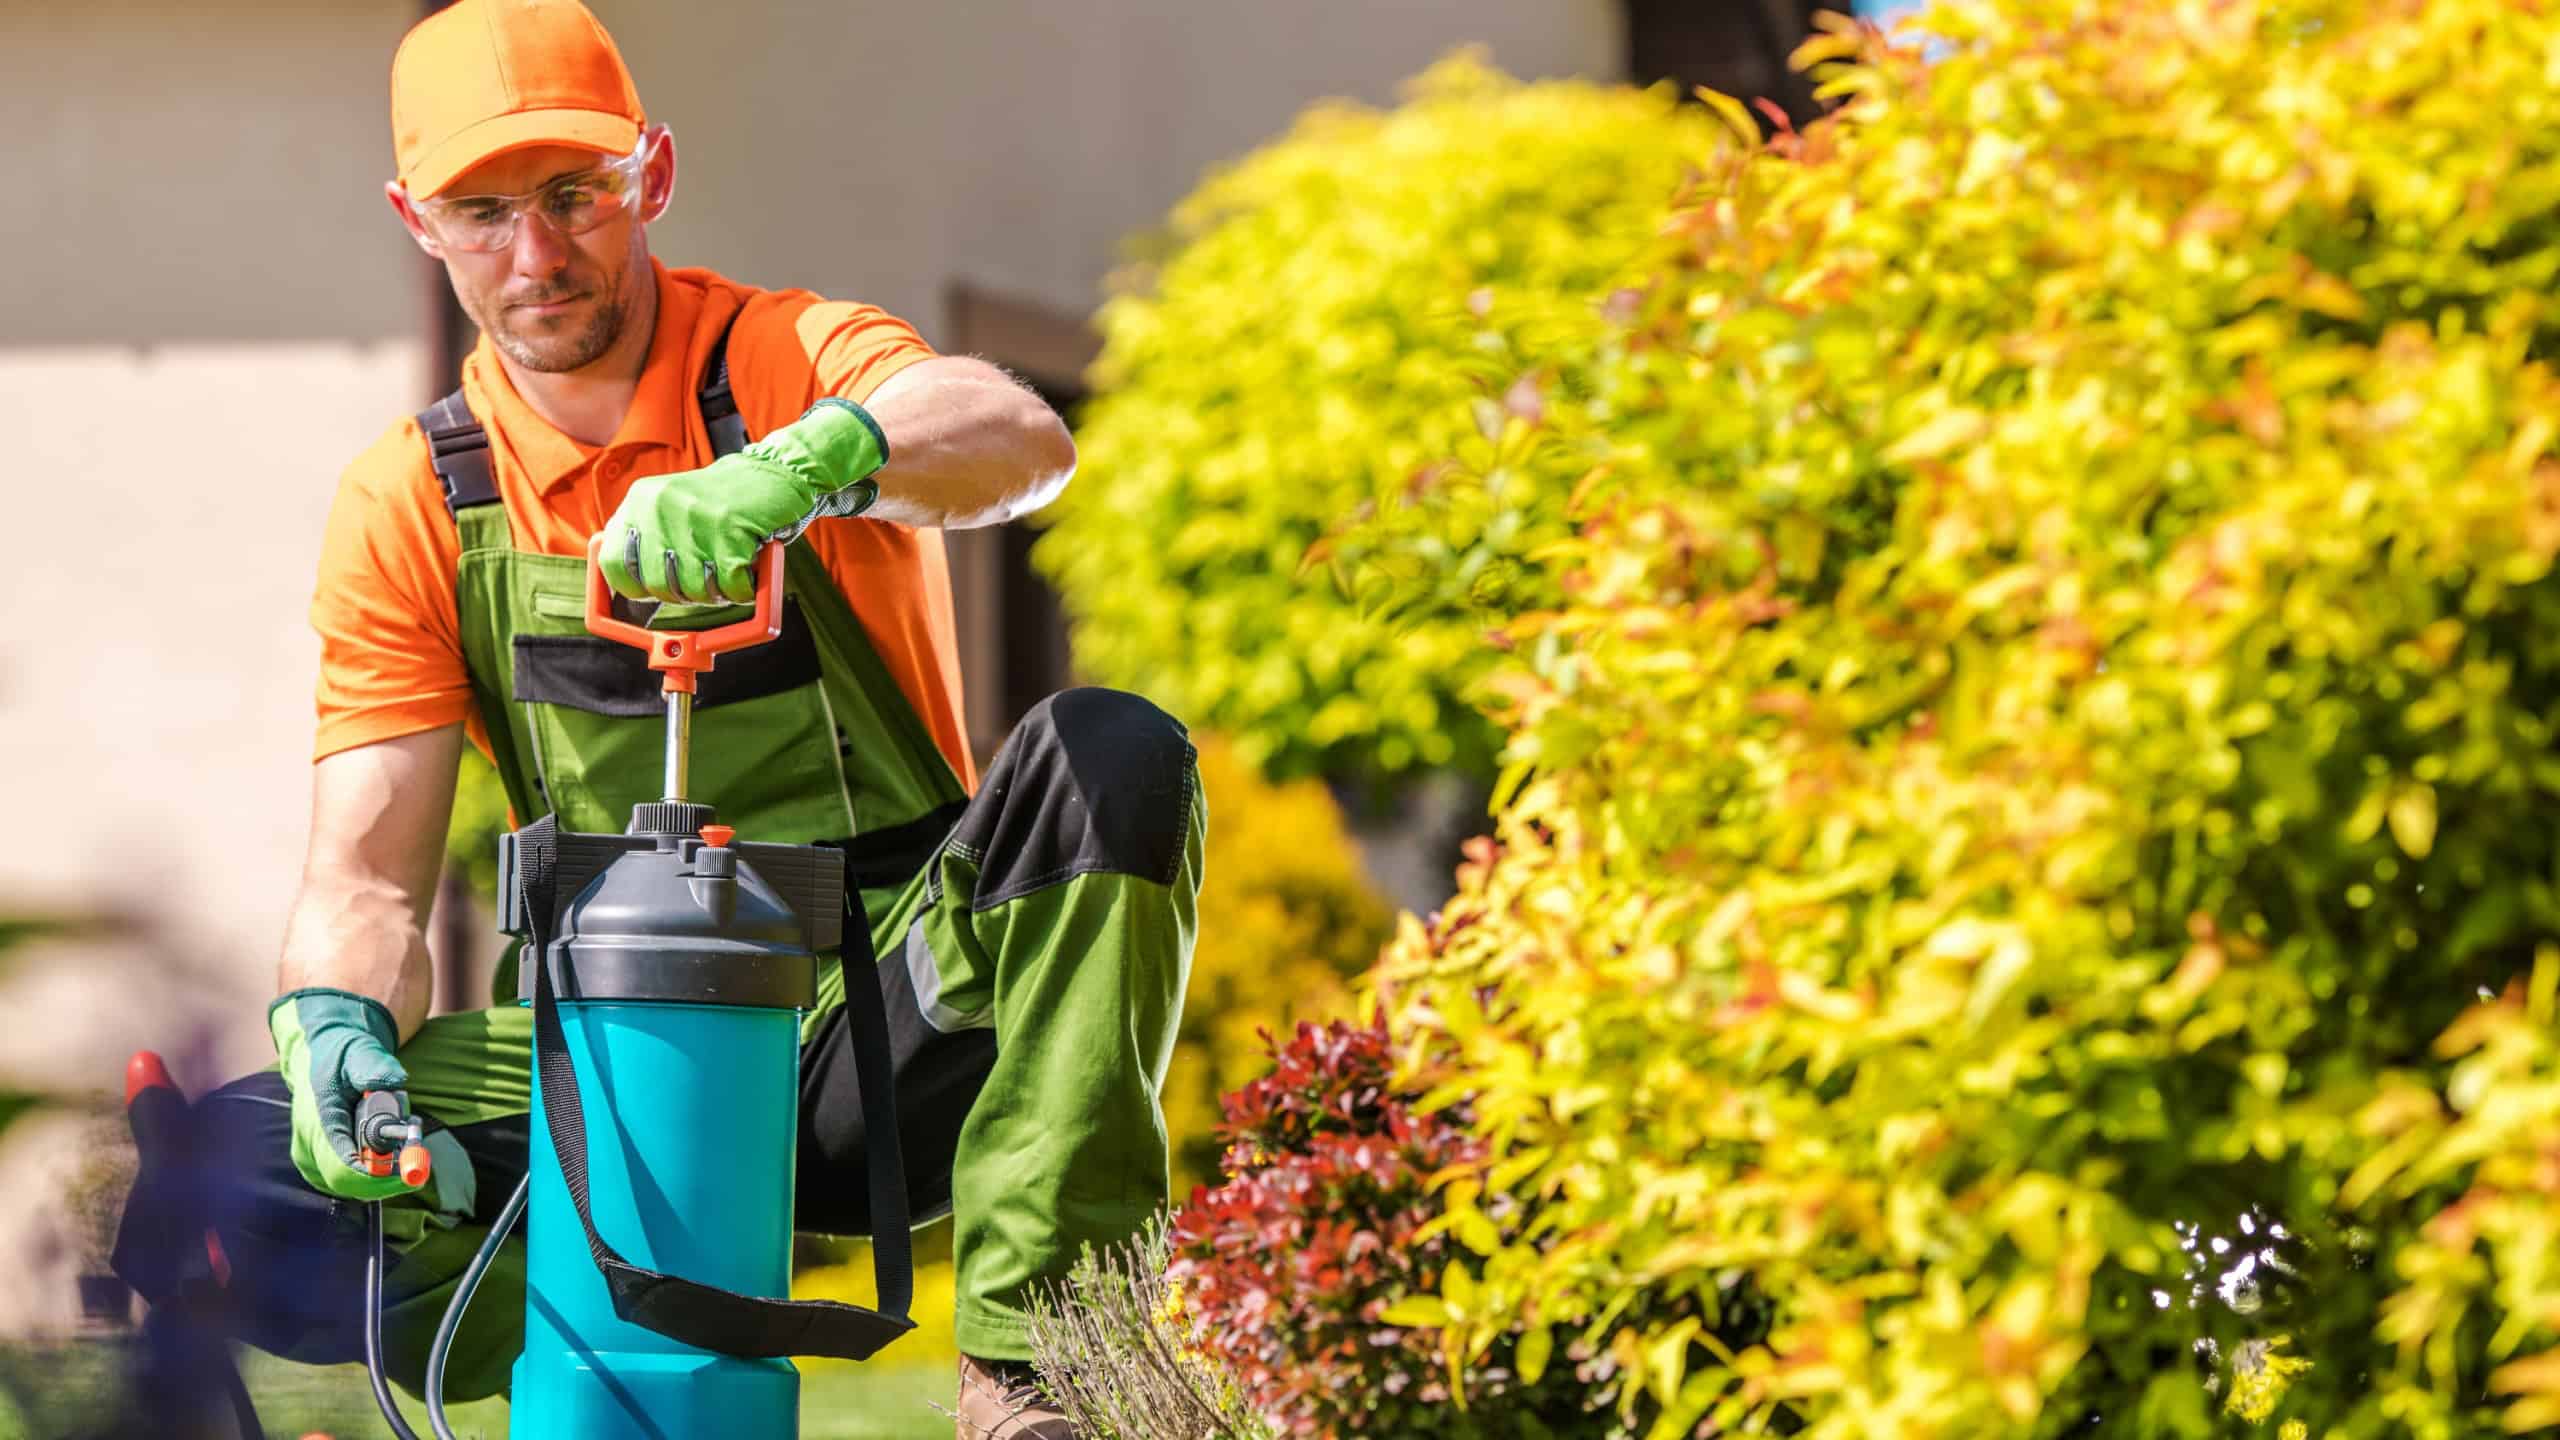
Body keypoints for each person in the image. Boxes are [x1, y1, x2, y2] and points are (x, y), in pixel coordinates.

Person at [109, 3, 1202, 1436]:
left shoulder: (787, 359)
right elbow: (365, 881)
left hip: (879, 1034)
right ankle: (560, 1297)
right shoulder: (414, 501)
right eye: (481, 210)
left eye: (577, 194)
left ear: (655, 175)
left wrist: (819, 463)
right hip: (608, 1055)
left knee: (1111, 755)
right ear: (414, 220)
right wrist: (338, 1031)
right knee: (220, 1175)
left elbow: (1018, 438)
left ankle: (1043, 1380)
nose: (538, 253)